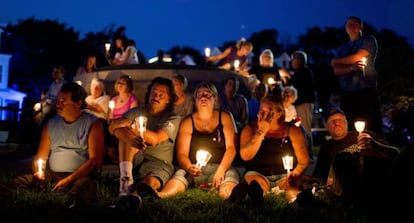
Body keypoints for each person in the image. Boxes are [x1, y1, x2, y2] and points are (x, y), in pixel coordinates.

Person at [7, 82, 105, 208]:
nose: (58, 104)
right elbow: (41, 156)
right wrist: (39, 173)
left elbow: (95, 161)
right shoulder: (51, 124)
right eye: (58, 100)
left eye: (63, 101)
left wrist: (68, 180)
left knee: (83, 188)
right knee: (19, 182)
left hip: (81, 175)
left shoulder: (93, 124)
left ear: (78, 104)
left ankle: (72, 205)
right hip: (53, 174)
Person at [108, 77, 181, 211]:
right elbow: (113, 126)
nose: (156, 96)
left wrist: (131, 125)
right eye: (154, 92)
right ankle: (125, 183)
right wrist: (129, 138)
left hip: (159, 163)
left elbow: (155, 139)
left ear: (168, 99)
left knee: (148, 183)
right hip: (135, 157)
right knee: (126, 134)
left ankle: (132, 198)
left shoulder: (173, 118)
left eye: (161, 94)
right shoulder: (137, 112)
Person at [157, 82, 239, 200]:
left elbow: (232, 148)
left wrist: (221, 170)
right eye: (200, 95)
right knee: (180, 175)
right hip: (195, 169)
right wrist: (189, 167)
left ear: (215, 99)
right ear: (195, 100)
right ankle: (161, 195)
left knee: (230, 177)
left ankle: (228, 196)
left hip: (221, 167)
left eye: (208, 95)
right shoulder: (188, 122)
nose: (203, 98)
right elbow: (182, 154)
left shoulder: (225, 117)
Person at [227, 95, 310, 204]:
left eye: (269, 111)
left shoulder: (291, 129)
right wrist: (261, 131)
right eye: (262, 110)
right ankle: (256, 198)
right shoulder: (250, 128)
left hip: (285, 174)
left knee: (291, 188)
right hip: (257, 172)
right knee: (257, 184)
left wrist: (294, 174)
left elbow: (304, 160)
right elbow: (245, 156)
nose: (264, 114)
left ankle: (296, 200)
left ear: (279, 113)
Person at [312, 104, 400, 204]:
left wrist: (375, 145)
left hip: (378, 179)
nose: (337, 123)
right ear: (326, 126)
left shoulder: (366, 135)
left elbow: (395, 153)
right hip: (350, 188)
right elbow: (319, 175)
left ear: (346, 123)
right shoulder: (327, 146)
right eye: (332, 121)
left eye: (340, 119)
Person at [330, 16, 384, 138]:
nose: (352, 27)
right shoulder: (342, 48)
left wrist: (337, 61)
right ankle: (354, 152)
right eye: (349, 24)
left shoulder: (368, 40)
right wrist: (352, 68)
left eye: (355, 24)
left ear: (361, 27)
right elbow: (336, 70)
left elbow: (359, 56)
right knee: (350, 126)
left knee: (372, 125)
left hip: (366, 90)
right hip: (347, 93)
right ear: (345, 28)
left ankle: (377, 152)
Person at [287, 50, 316, 160]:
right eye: (293, 58)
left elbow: (300, 88)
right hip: (299, 104)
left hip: (304, 104)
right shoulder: (299, 73)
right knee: (300, 129)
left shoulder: (304, 72)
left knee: (305, 129)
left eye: (296, 58)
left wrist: (289, 78)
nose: (294, 61)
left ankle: (309, 154)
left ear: (302, 60)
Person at [106, 75, 139, 163]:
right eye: (118, 83)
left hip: (125, 125)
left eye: (123, 83)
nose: (120, 85)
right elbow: (110, 116)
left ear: (128, 86)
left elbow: (133, 116)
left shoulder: (132, 99)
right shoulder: (114, 99)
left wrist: (120, 122)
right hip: (114, 125)